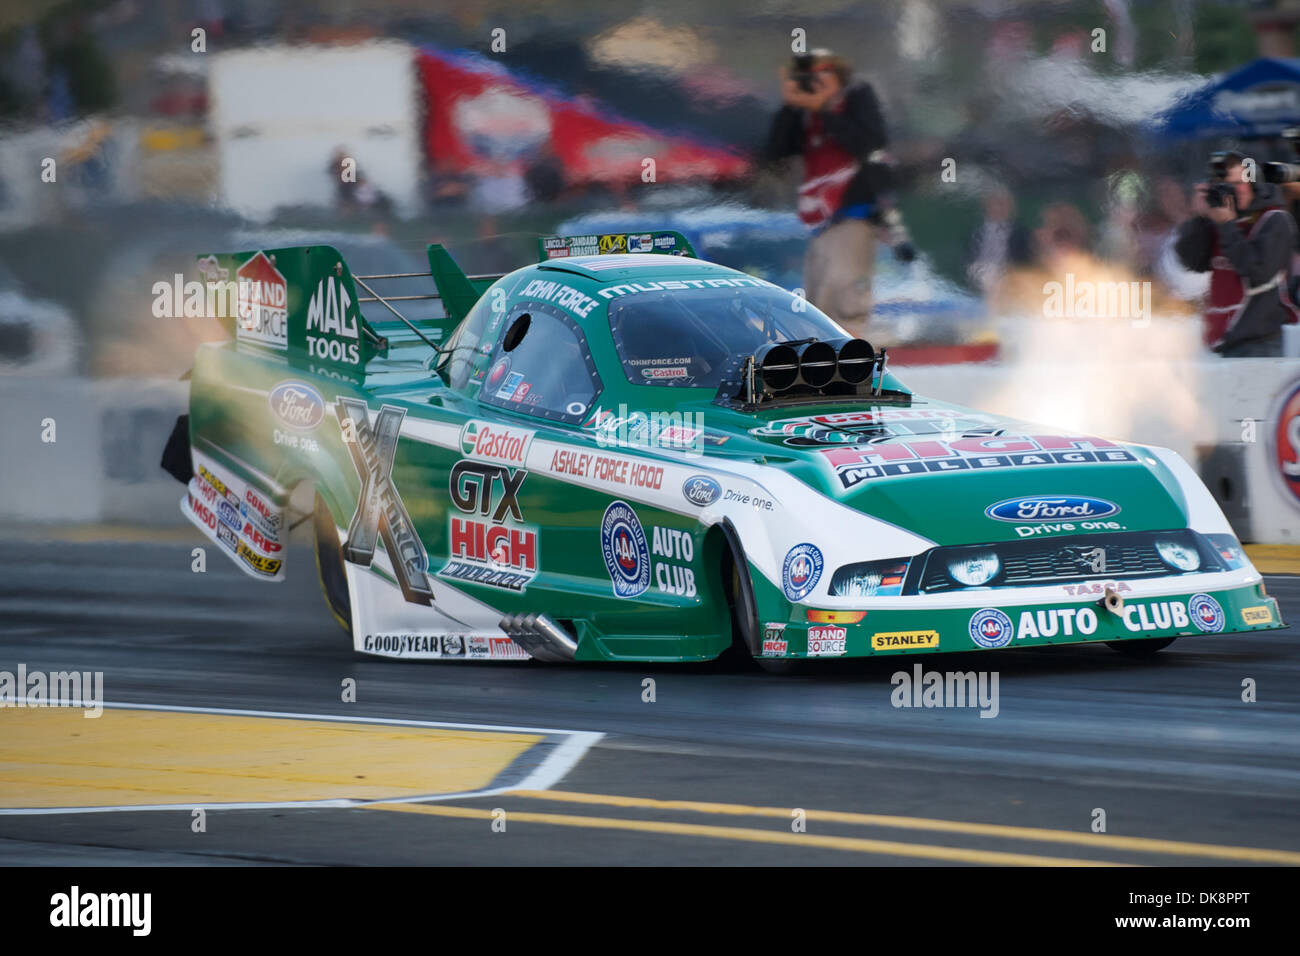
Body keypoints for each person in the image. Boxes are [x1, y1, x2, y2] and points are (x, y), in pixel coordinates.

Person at [764, 49, 889, 335]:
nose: (814, 81)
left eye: (822, 73)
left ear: (838, 76)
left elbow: (869, 144)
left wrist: (824, 109)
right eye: (808, 76)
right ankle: (823, 366)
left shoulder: (856, 100)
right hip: (819, 220)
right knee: (818, 303)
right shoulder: (807, 115)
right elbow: (775, 152)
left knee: (844, 298)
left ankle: (851, 366)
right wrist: (791, 105)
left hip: (852, 215)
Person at [1174, 151, 1299, 357]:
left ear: (1255, 183)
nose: (1237, 190)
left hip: (1260, 342)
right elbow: (1192, 261)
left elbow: (1257, 272)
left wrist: (1226, 226)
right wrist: (1199, 217)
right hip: (1221, 339)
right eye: (1229, 185)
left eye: (1242, 182)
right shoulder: (1220, 220)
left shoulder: (1275, 219)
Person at [965, 184, 1032, 300]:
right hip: (977, 283)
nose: (999, 208)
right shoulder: (974, 234)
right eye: (995, 203)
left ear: (1012, 208)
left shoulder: (1022, 234)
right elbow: (967, 260)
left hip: (1009, 283)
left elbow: (1026, 263)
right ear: (986, 206)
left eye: (1004, 204)